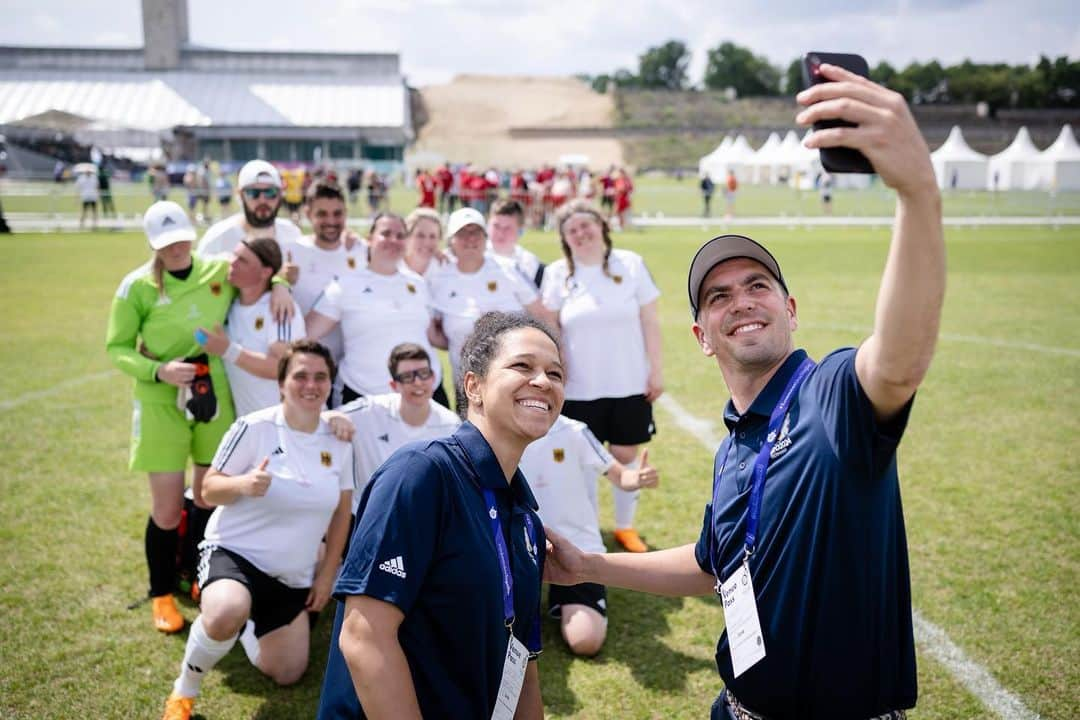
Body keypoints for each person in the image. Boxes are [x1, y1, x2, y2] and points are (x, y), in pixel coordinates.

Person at [544, 63, 944, 719]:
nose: (742, 302)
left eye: (757, 285)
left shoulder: (833, 396)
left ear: (790, 308)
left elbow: (898, 361)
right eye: (720, 295)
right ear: (703, 335)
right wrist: (591, 566)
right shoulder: (734, 447)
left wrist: (917, 194)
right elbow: (710, 567)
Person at [319, 311, 560, 719]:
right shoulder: (421, 474)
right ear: (474, 386)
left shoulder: (525, 518)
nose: (543, 381)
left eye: (556, 373)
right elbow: (364, 637)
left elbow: (522, 661)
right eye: (523, 366)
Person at [105, 201, 294, 635]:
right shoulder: (135, 287)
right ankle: (161, 594)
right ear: (153, 245)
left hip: (213, 394)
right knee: (168, 508)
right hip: (160, 400)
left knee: (209, 494)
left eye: (180, 239)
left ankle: (197, 576)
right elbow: (116, 347)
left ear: (191, 235)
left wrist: (280, 281)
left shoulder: (216, 271)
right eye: (165, 243)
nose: (175, 249)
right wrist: (159, 370)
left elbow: (259, 267)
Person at [160, 341, 354, 720]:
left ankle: (245, 622)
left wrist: (328, 574)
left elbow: (341, 513)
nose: (310, 384)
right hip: (235, 554)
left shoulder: (339, 438)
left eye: (320, 377)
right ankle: (184, 690)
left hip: (291, 575)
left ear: (331, 383)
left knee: (287, 673)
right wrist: (244, 485)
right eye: (300, 375)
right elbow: (207, 489)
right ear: (282, 382)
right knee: (224, 612)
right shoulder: (254, 427)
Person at [315, 342, 463, 717]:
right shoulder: (367, 412)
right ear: (393, 384)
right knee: (365, 625)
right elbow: (317, 415)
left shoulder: (450, 425)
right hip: (371, 534)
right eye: (408, 377)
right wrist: (331, 418)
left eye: (425, 374)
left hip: (426, 538)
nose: (418, 383)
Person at [541, 200, 663, 553]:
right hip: (579, 389)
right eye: (572, 230)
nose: (581, 234)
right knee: (584, 462)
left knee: (626, 454)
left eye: (586, 225)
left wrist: (656, 371)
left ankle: (625, 527)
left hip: (628, 383)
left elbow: (650, 322)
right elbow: (551, 329)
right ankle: (588, 530)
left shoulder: (631, 264)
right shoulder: (557, 274)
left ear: (601, 226)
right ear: (565, 239)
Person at [520, 413, 658, 656]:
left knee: (586, 642)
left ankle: (562, 598)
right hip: (517, 550)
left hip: (577, 550)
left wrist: (636, 478)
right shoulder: (498, 430)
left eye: (555, 375)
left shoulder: (575, 431)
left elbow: (620, 475)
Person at [306, 212, 447, 407]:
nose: (393, 240)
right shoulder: (345, 285)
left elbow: (432, 335)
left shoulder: (418, 284)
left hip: (425, 392)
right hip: (363, 395)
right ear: (370, 239)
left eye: (400, 236)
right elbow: (306, 334)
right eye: (386, 234)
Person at [427, 207, 548, 385]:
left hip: (517, 379)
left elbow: (541, 314)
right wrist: (456, 342)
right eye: (462, 233)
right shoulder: (438, 277)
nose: (470, 239)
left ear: (485, 238)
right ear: (451, 241)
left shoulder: (508, 268)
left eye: (476, 232)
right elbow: (433, 329)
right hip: (467, 384)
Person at [195, 237, 306, 417]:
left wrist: (228, 350)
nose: (233, 263)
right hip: (249, 426)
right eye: (234, 256)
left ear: (265, 272)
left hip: (285, 424)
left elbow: (284, 368)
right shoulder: (229, 304)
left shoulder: (280, 308)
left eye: (243, 260)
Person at [286, 179, 366, 370]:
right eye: (322, 214)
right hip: (305, 366)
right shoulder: (292, 252)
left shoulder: (359, 250)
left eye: (337, 214)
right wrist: (280, 283)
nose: (331, 221)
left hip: (350, 367)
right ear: (308, 214)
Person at [196, 160, 302, 258]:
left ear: (280, 194)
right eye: (253, 193)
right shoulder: (217, 238)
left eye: (270, 192)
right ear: (240, 195)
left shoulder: (293, 235)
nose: (262, 200)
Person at [488, 198, 544, 288]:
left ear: (520, 230)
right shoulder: (472, 258)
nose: (501, 233)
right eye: (496, 226)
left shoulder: (531, 265)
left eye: (507, 228)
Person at [401, 206, 444, 279]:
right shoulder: (392, 268)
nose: (426, 242)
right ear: (407, 236)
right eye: (420, 235)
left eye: (432, 236)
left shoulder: (445, 270)